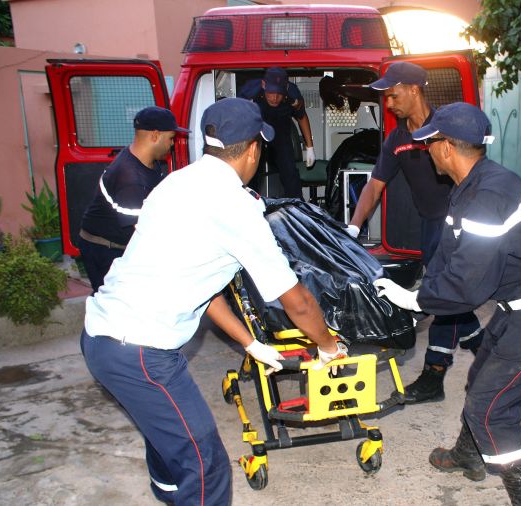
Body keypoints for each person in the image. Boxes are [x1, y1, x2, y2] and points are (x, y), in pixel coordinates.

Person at [80, 98, 348, 505]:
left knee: (166, 440)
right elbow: (298, 303)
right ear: (255, 149)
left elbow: (199, 290)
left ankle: (169, 495)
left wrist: (250, 342)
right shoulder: (237, 207)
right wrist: (329, 346)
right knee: (205, 465)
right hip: (141, 352)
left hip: (103, 338)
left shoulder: (174, 183)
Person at [373, 102, 521, 505]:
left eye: (429, 143)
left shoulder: (488, 196)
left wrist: (418, 301)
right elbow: (449, 255)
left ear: (447, 148)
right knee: (480, 378)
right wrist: (419, 289)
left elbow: (468, 284)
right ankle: (470, 456)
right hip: (518, 304)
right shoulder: (469, 185)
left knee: (492, 410)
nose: (425, 150)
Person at [346, 61, 482, 404]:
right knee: (453, 303)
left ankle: (433, 376)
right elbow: (374, 187)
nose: (388, 103)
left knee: (441, 297)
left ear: (414, 89)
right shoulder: (397, 139)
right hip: (429, 227)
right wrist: (353, 226)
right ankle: (488, 356)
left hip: (457, 224)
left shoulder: (448, 127)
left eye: (393, 95)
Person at [78, 106, 188, 293]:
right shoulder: (131, 178)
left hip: (118, 242)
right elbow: (142, 231)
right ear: (155, 135)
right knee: (115, 306)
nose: (172, 144)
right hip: (105, 249)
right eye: (171, 138)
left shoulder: (147, 162)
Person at [238, 67, 315, 198]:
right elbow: (237, 116)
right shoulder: (250, 91)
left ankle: (295, 208)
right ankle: (250, 206)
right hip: (256, 133)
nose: (274, 98)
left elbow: (301, 116)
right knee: (250, 174)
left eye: (279, 94)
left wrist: (310, 148)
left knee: (290, 172)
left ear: (285, 88)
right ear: (263, 85)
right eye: (271, 92)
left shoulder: (292, 93)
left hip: (281, 132)